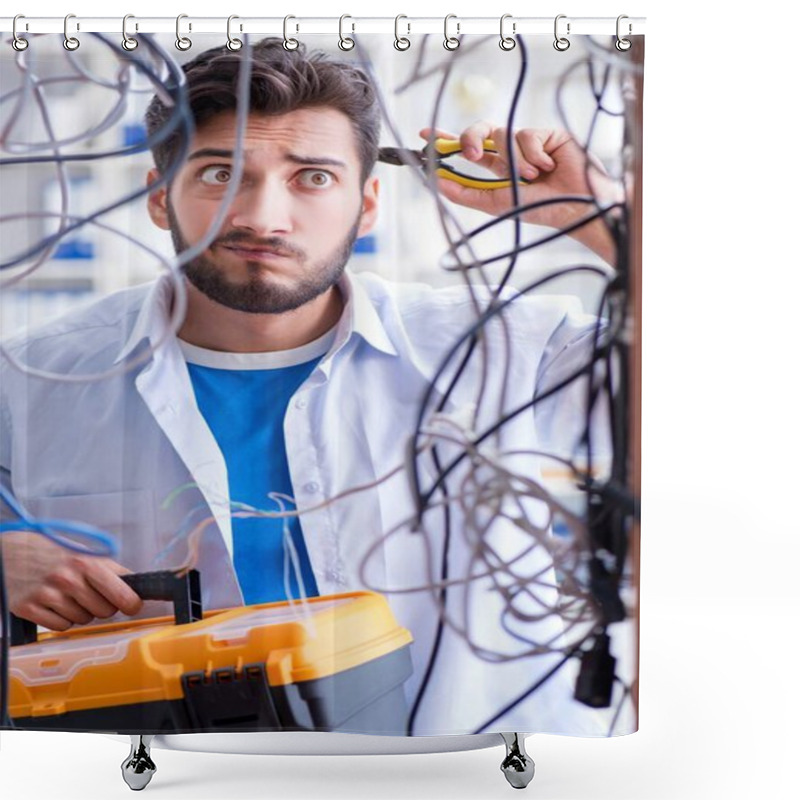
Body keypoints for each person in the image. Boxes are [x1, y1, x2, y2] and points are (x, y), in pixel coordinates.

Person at [0, 38, 621, 735]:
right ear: (157, 196)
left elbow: (725, 391)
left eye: (314, 178)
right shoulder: (27, 379)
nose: (263, 218)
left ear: (369, 203)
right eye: (218, 173)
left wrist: (601, 218)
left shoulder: (513, 351)